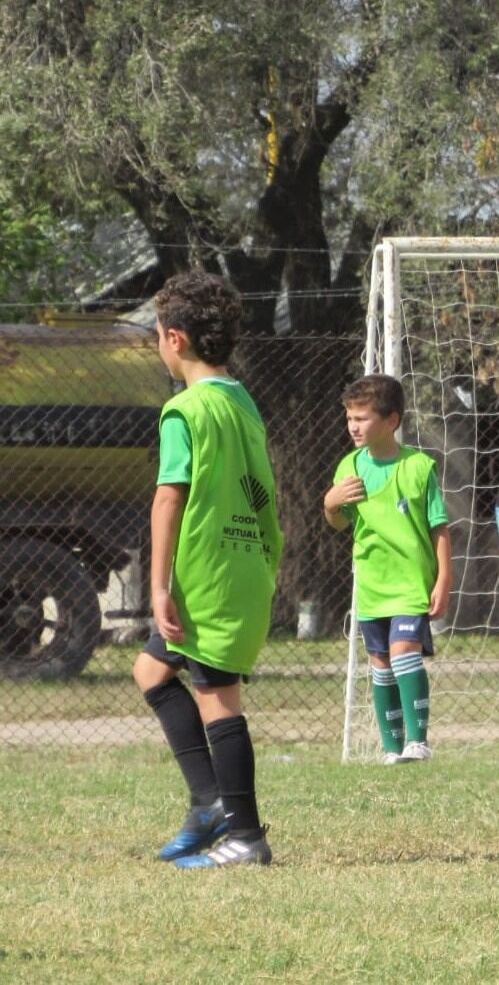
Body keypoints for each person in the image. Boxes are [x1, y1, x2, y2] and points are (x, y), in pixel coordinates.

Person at [132, 271, 281, 869]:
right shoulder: (241, 401)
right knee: (151, 671)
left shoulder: (184, 410)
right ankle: (208, 802)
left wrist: (158, 586)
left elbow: (170, 496)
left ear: (175, 339)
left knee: (219, 699)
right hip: (243, 565)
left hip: (206, 575)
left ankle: (245, 836)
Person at [323, 374, 451, 764]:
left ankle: (418, 741)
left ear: (391, 421)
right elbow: (340, 523)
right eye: (349, 418)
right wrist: (330, 503)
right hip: (372, 584)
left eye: (362, 418)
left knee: (403, 654)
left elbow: (439, 527)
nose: (353, 427)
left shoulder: (418, 467)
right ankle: (393, 749)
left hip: (411, 581)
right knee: (380, 663)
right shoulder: (349, 466)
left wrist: (444, 578)